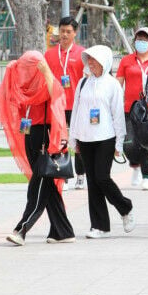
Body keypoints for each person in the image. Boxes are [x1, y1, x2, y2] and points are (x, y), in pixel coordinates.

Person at [0, 51, 75, 245]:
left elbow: (58, 94)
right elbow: (8, 95)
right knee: (45, 185)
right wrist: (11, 69)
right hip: (30, 136)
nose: (23, 72)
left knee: (38, 186)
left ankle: (22, 229)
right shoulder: (25, 87)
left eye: (27, 68)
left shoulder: (47, 83)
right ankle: (62, 231)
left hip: (45, 139)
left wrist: (46, 72)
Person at [68, 46, 135, 239]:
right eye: (89, 60)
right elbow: (77, 111)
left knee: (102, 177)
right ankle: (99, 225)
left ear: (104, 62)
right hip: (85, 138)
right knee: (93, 181)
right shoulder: (83, 83)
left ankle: (125, 207)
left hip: (106, 137)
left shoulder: (112, 84)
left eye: (94, 60)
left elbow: (117, 115)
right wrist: (74, 137)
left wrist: (119, 144)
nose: (91, 63)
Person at [116, 27, 148, 191]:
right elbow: (118, 84)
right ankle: (135, 164)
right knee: (129, 142)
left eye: (145, 40)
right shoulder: (127, 60)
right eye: (138, 39)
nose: (141, 43)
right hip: (130, 108)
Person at [44, 16, 87, 189]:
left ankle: (81, 175)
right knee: (60, 141)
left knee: (79, 142)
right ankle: (64, 175)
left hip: (77, 104)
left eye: (68, 32)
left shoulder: (82, 53)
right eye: (62, 31)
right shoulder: (49, 54)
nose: (64, 35)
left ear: (75, 33)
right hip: (57, 105)